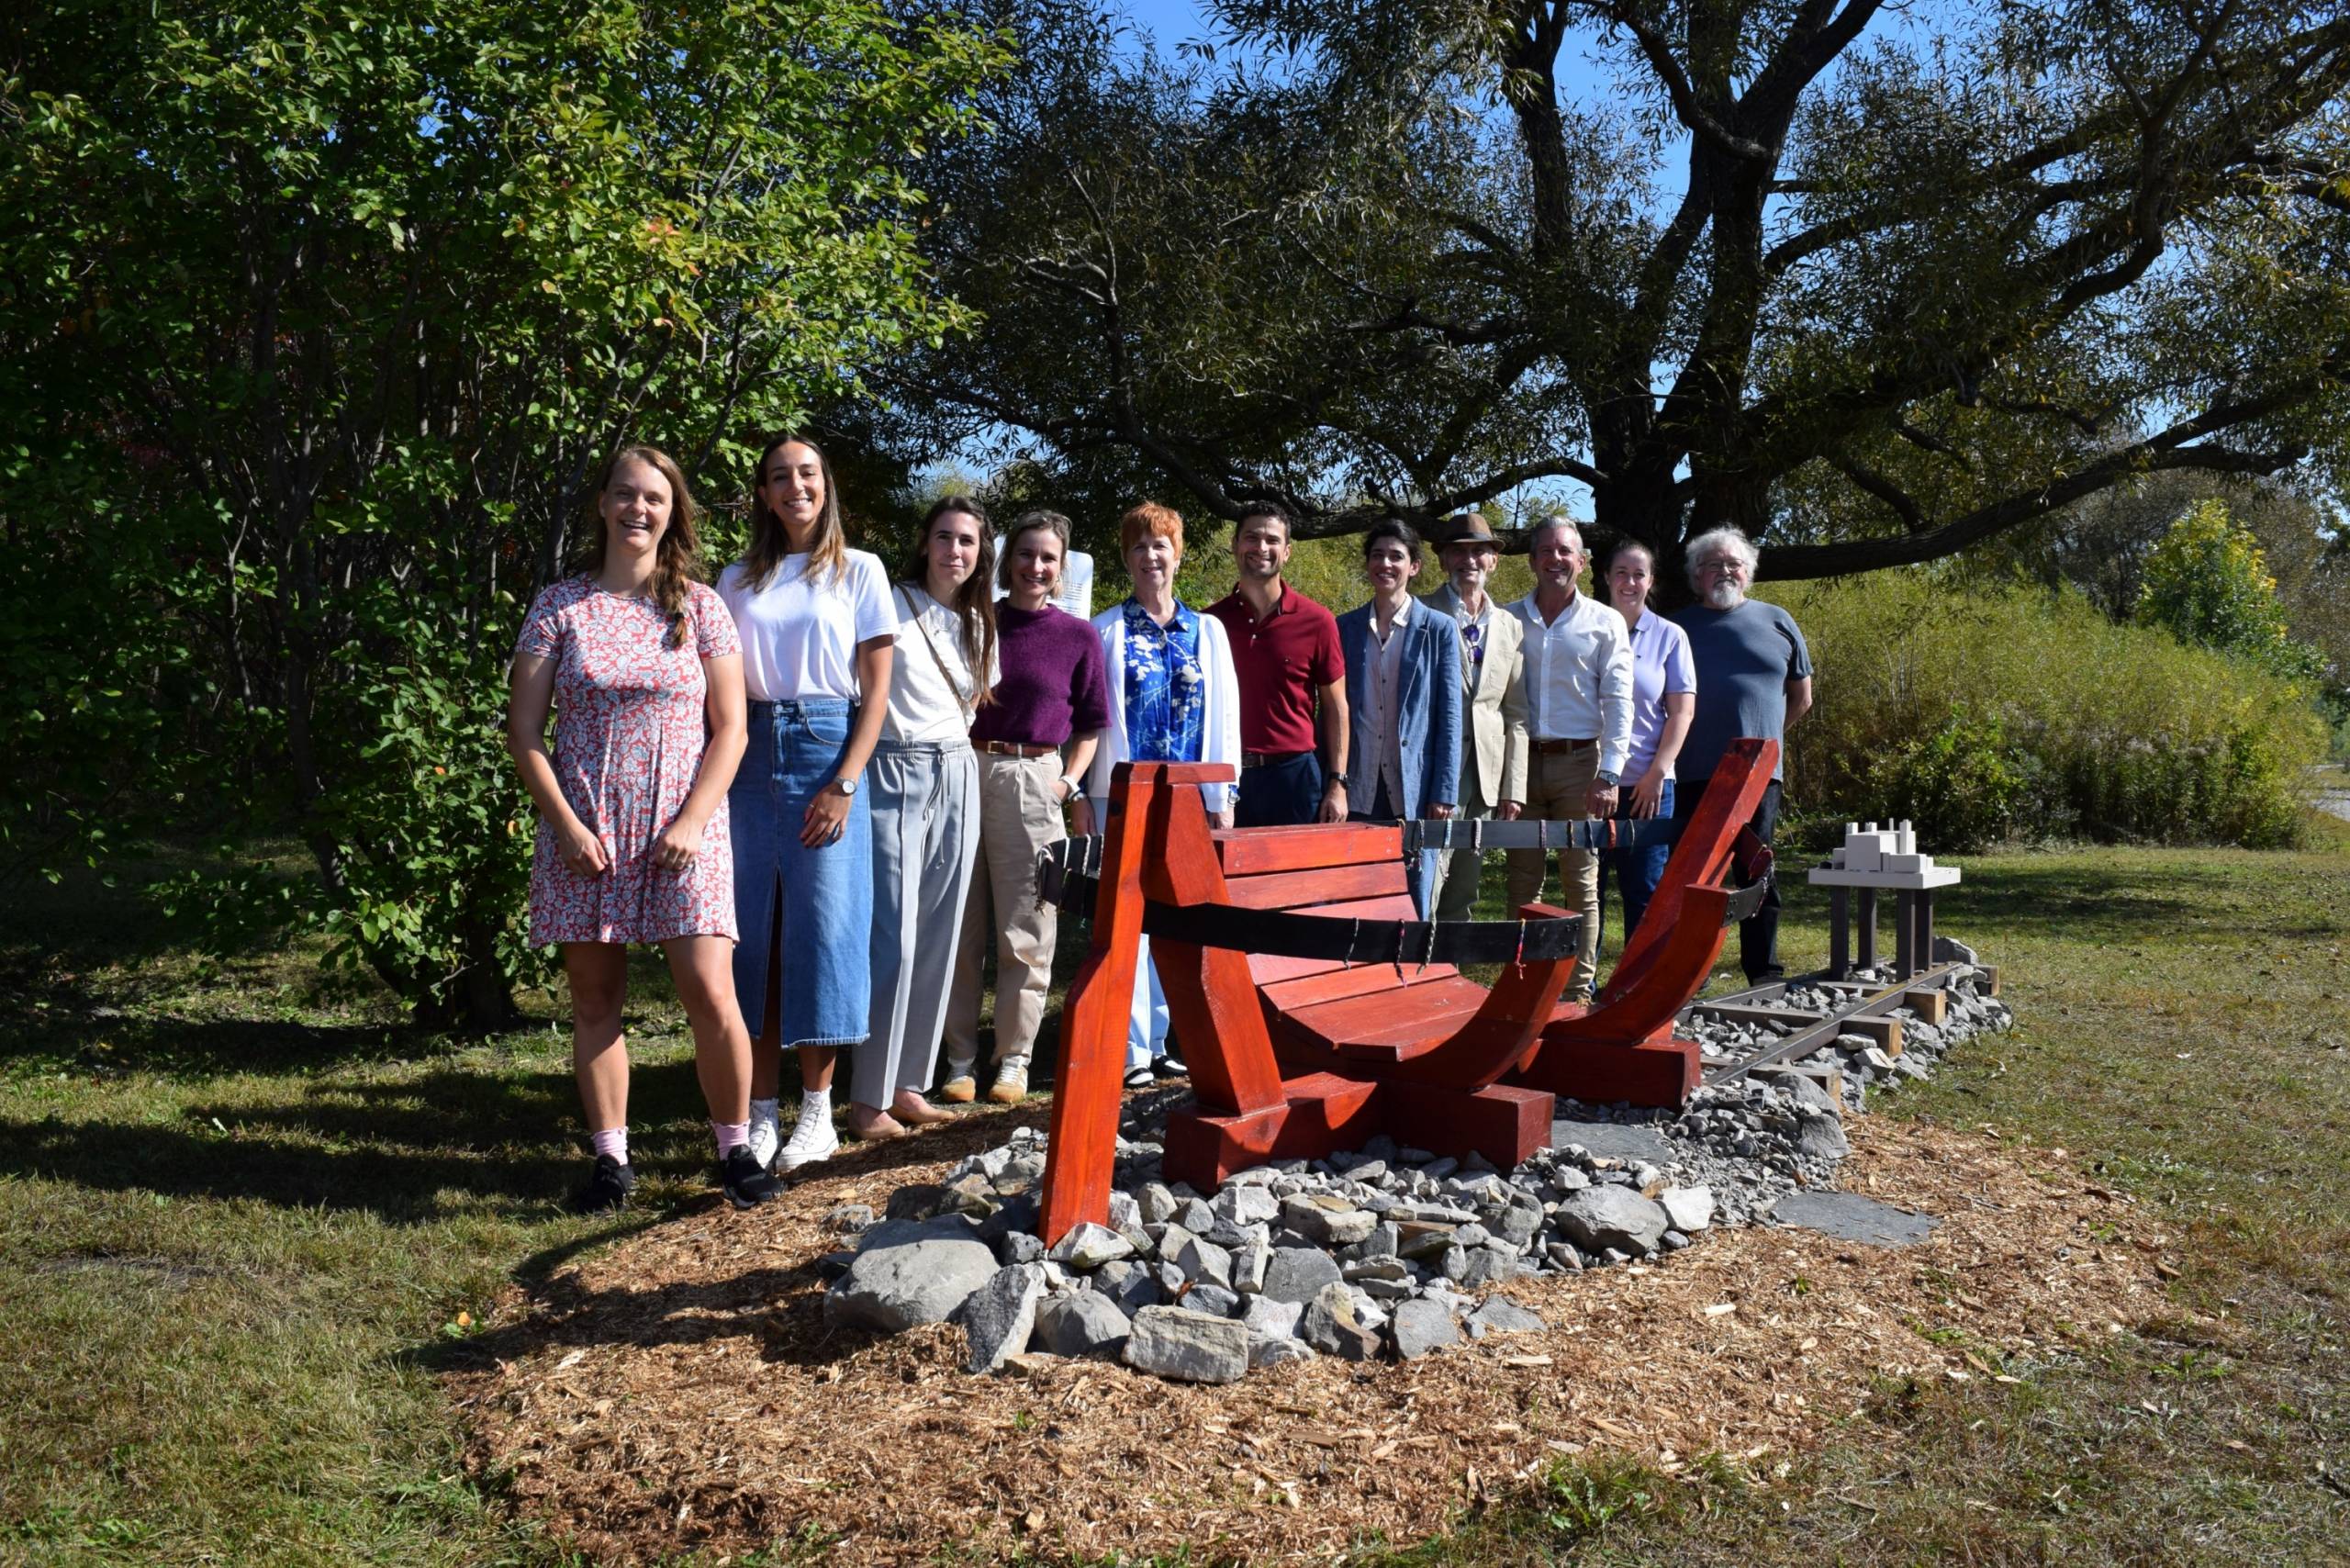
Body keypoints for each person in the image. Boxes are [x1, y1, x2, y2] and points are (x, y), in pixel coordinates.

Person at [506, 444, 779, 1213]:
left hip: (683, 827)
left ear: (672, 511)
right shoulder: (559, 606)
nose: (637, 508)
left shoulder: (700, 606)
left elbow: (731, 731)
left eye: (653, 498)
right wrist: (563, 825)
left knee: (709, 991)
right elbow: (524, 729)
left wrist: (694, 819)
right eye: (624, 494)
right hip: (585, 830)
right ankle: (610, 1162)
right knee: (595, 999)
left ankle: (735, 1150)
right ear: (602, 505)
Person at [719, 432, 895, 1176]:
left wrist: (846, 781)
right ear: (763, 493)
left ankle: (817, 1114)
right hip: (749, 753)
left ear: (827, 485)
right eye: (780, 477)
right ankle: (760, 1118)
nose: (796, 486)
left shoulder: (860, 572)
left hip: (829, 744)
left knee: (822, 935)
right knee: (752, 938)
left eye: (809, 473)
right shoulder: (734, 579)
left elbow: (878, 692)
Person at [946, 510, 1109, 1105]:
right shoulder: (974, 622)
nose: (1035, 567)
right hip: (965, 772)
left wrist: (1066, 784)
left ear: (1062, 569)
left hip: (1035, 779)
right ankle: (959, 1059)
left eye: (1048, 559)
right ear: (1006, 560)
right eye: (1026, 555)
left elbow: (1091, 726)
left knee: (1027, 930)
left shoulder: (1076, 636)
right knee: (959, 930)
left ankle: (1013, 1059)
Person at [1080, 502, 1242, 1087]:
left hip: (1187, 799)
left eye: (1161, 545)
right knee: (1128, 918)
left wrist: (1224, 793)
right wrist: (1085, 795)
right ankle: (1130, 1050)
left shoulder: (1208, 631)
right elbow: (1095, 722)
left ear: (1179, 554)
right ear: (1126, 558)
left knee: (1179, 918)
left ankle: (1167, 1039)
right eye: (1140, 546)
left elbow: (1225, 715)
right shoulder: (1105, 631)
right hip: (1123, 797)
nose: (1152, 556)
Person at [860, 498, 996, 1135]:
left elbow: (971, 704)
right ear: (924, 542)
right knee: (896, 935)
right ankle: (867, 1097)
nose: (955, 551)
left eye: (967, 541)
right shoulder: (888, 600)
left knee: (943, 934)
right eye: (944, 537)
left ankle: (909, 1083)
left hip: (957, 770)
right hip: (894, 767)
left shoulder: (978, 622)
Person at [1670, 526, 1813, 984]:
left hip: (1759, 777)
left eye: (1733, 564)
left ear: (1747, 572)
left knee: (1757, 872)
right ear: (1697, 575)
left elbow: (1801, 698)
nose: (1724, 571)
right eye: (1713, 564)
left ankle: (1764, 971)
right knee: (1696, 879)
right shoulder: (1676, 628)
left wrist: (1765, 741)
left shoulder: (1778, 620)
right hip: (1692, 772)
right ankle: (1694, 972)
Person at [1504, 515, 1633, 1002]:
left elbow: (1620, 702)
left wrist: (1610, 773)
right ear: (1533, 560)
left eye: (1566, 551)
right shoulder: (1508, 618)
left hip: (1581, 765)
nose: (1555, 559)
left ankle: (1578, 990)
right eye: (1546, 550)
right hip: (1519, 765)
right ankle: (1523, 985)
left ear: (1582, 561)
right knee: (1522, 878)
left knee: (1581, 879)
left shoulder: (1605, 622)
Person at [1336, 519, 1460, 913]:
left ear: (1414, 566)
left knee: (1413, 897)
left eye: (1396, 556)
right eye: (1377, 555)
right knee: (1357, 894)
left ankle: (1413, 972)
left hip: (1415, 789)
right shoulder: (1344, 627)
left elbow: (1450, 716)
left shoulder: (1438, 629)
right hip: (1360, 784)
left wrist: (1444, 791)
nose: (1385, 564)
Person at [1204, 502, 1348, 828]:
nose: (1261, 548)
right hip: (1225, 779)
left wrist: (1338, 784)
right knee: (1223, 878)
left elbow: (1336, 707)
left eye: (1272, 540)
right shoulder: (1209, 623)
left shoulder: (1318, 621)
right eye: (1251, 538)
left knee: (1295, 879)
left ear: (1287, 552)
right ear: (1235, 545)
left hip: (1294, 779)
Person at [1420, 513, 1529, 922]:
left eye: (1479, 551)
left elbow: (1516, 714)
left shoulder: (1509, 626)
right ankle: (1416, 973)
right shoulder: (1421, 614)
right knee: (1424, 878)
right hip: (1432, 771)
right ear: (1443, 559)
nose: (1470, 560)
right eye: (1459, 551)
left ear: (1494, 561)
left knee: (1463, 888)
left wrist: (1513, 786)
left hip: (1485, 776)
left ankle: (1451, 975)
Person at [1595, 538, 1696, 952]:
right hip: (1589, 784)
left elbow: (1681, 713)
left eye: (1639, 574)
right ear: (1605, 577)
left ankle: (1637, 984)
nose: (1630, 582)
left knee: (1646, 890)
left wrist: (1657, 774)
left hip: (1647, 786)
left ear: (1651, 581)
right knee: (1587, 891)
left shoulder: (1670, 636)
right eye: (1621, 572)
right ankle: (1581, 985)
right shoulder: (1587, 626)